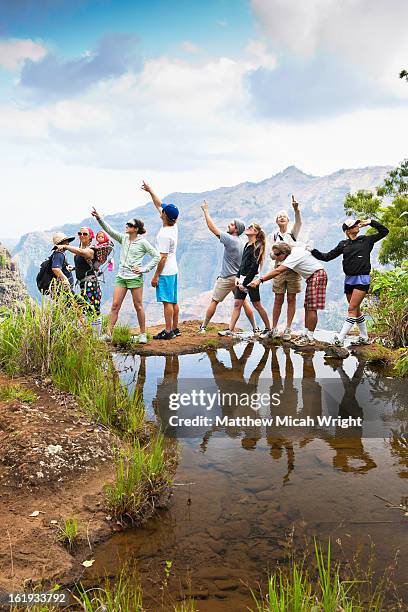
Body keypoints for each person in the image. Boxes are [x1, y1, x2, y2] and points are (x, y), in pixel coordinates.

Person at [311, 218, 389, 346]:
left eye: (356, 223)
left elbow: (384, 231)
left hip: (362, 278)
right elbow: (326, 257)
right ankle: (364, 336)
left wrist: (370, 222)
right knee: (356, 309)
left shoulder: (366, 240)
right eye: (354, 225)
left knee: (351, 308)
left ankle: (340, 338)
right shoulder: (343, 244)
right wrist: (312, 250)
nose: (357, 225)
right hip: (349, 280)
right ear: (347, 231)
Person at [91, 207, 160, 344]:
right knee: (115, 306)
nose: (126, 226)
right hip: (121, 277)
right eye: (126, 224)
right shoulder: (123, 238)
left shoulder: (143, 242)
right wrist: (99, 218)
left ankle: (142, 334)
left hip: (134, 278)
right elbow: (109, 230)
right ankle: (108, 334)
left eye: (129, 225)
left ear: (136, 229)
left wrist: (144, 269)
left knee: (138, 306)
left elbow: (156, 256)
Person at [249, 242, 327, 347]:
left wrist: (260, 280)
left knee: (312, 308)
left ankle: (310, 338)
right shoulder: (293, 251)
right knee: (308, 307)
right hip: (313, 277)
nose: (276, 257)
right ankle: (305, 334)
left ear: (284, 252)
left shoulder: (292, 257)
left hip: (317, 276)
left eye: (277, 254)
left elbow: (278, 271)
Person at [199, 200, 258, 334]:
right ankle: (255, 328)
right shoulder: (243, 243)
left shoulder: (230, 239)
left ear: (236, 229)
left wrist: (206, 211)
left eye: (231, 224)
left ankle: (203, 327)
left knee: (214, 301)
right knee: (244, 303)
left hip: (226, 278)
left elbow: (212, 228)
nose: (229, 225)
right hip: (238, 279)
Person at [141, 181, 180, 340]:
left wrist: (156, 275)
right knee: (173, 300)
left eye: (163, 211)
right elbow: (159, 203)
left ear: (164, 215)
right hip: (174, 269)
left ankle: (168, 330)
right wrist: (150, 191)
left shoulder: (165, 234)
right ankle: (176, 328)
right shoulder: (174, 225)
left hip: (166, 271)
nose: (161, 210)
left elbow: (162, 257)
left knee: (167, 302)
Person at [219, 222, 271, 337]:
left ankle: (268, 329)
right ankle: (230, 330)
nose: (248, 228)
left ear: (256, 233)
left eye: (251, 227)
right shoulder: (247, 244)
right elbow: (242, 264)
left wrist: (245, 283)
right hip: (243, 279)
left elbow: (254, 268)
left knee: (257, 305)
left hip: (252, 280)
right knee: (237, 304)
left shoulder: (257, 247)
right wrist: (238, 277)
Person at [56, 226, 103, 334]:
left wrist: (66, 247)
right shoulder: (80, 249)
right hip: (84, 284)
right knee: (86, 307)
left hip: (91, 284)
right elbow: (84, 264)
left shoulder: (91, 249)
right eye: (80, 233)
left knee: (93, 309)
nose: (82, 235)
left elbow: (83, 253)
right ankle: (92, 334)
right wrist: (74, 268)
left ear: (91, 237)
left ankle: (97, 336)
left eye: (85, 234)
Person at [269, 196, 302, 341]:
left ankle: (288, 328)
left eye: (284, 216)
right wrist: (277, 255)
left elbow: (299, 222)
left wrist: (296, 210)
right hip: (279, 269)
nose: (282, 218)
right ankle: (274, 328)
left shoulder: (292, 234)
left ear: (288, 220)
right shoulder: (274, 235)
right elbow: (271, 254)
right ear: (276, 221)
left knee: (291, 298)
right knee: (278, 299)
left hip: (293, 270)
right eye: (279, 217)